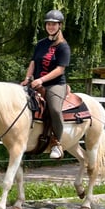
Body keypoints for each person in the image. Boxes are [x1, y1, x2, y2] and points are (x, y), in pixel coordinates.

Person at [21, 9, 71, 159]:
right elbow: (33, 63)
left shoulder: (63, 46)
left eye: (54, 24)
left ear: (60, 26)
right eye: (48, 24)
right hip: (35, 83)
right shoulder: (41, 44)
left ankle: (57, 143)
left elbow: (60, 69)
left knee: (55, 109)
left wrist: (42, 80)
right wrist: (28, 78)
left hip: (54, 84)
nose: (50, 27)